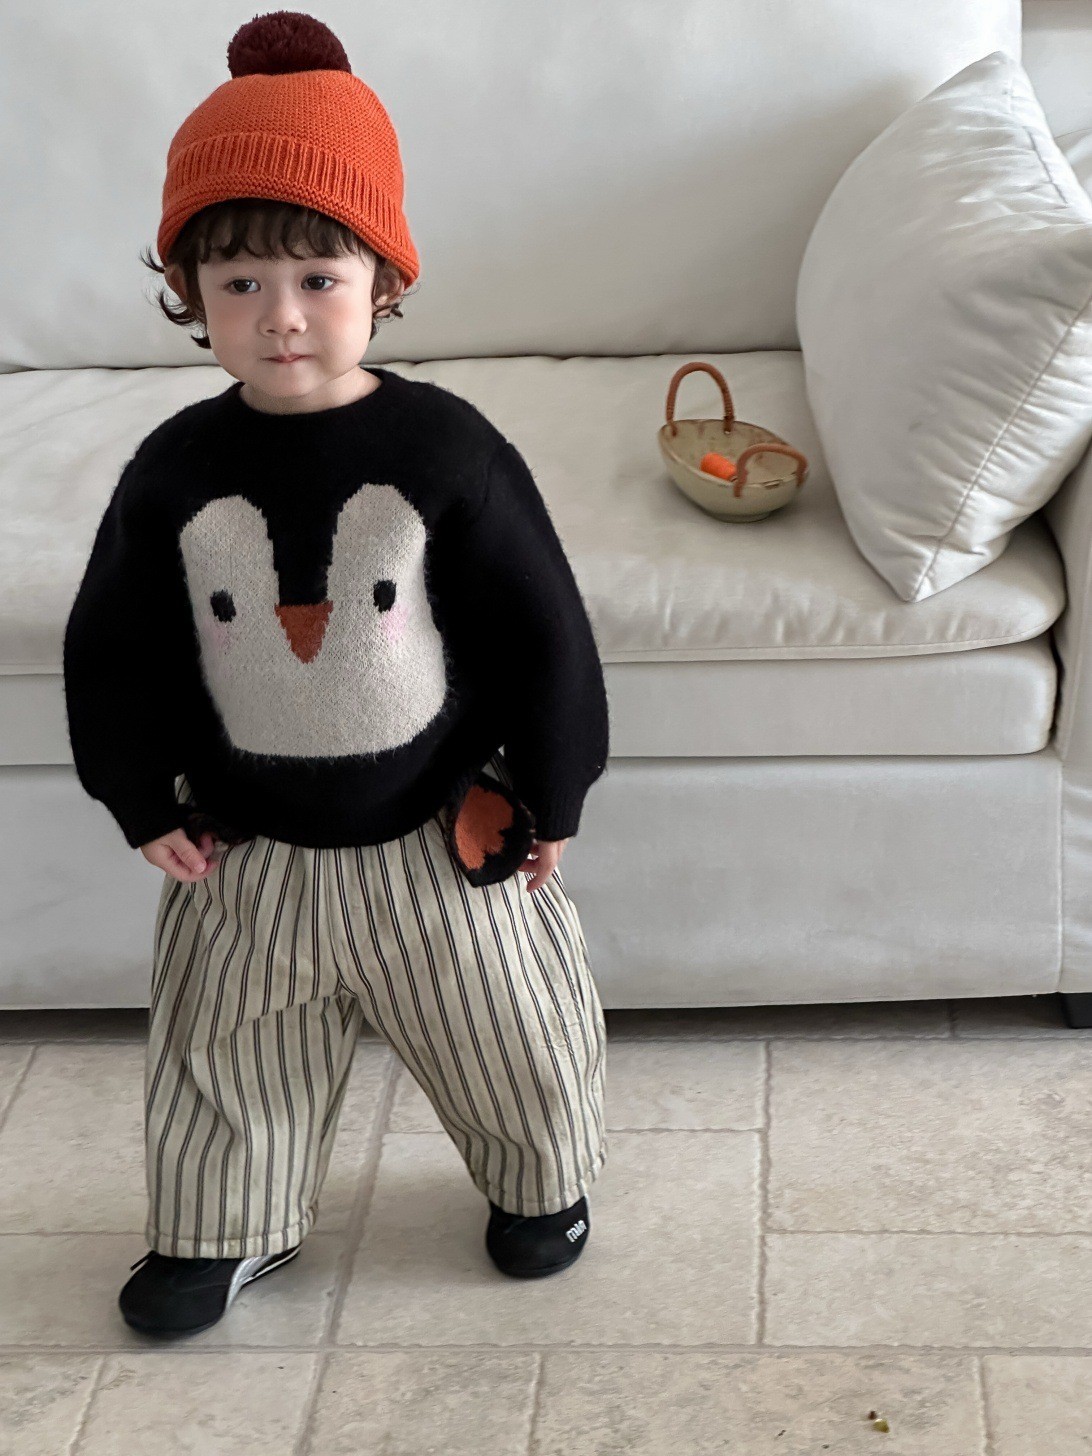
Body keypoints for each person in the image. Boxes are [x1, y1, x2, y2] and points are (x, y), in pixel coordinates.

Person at [61, 9, 610, 1340]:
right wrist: (139, 797)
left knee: (512, 1031)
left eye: (318, 274)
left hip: (438, 839)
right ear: (190, 293)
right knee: (224, 1055)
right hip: (246, 855)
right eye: (239, 283)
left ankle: (539, 1184)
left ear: (383, 278)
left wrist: (551, 791)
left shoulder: (449, 451)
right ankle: (223, 1226)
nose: (283, 316)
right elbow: (116, 644)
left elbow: (539, 628)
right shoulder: (173, 471)